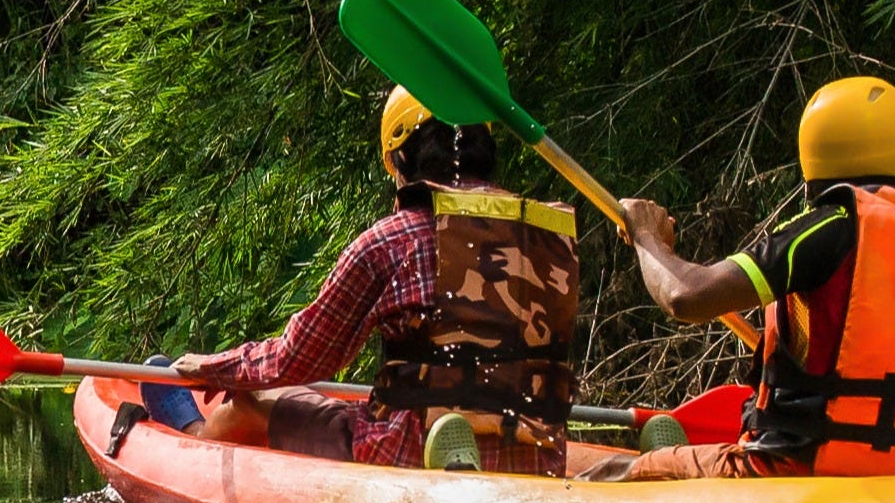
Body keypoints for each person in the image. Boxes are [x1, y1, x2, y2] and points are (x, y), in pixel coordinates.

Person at [590, 75, 895, 481]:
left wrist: (646, 235)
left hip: (785, 472)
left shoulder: (830, 230)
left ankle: (653, 461)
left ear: (814, 164)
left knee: (616, 472)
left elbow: (685, 295)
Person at [156, 90, 589, 473]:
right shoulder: (543, 237)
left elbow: (302, 358)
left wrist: (215, 367)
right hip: (539, 456)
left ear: (401, 161)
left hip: (410, 450)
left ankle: (194, 441)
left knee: (251, 402)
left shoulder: (393, 239)